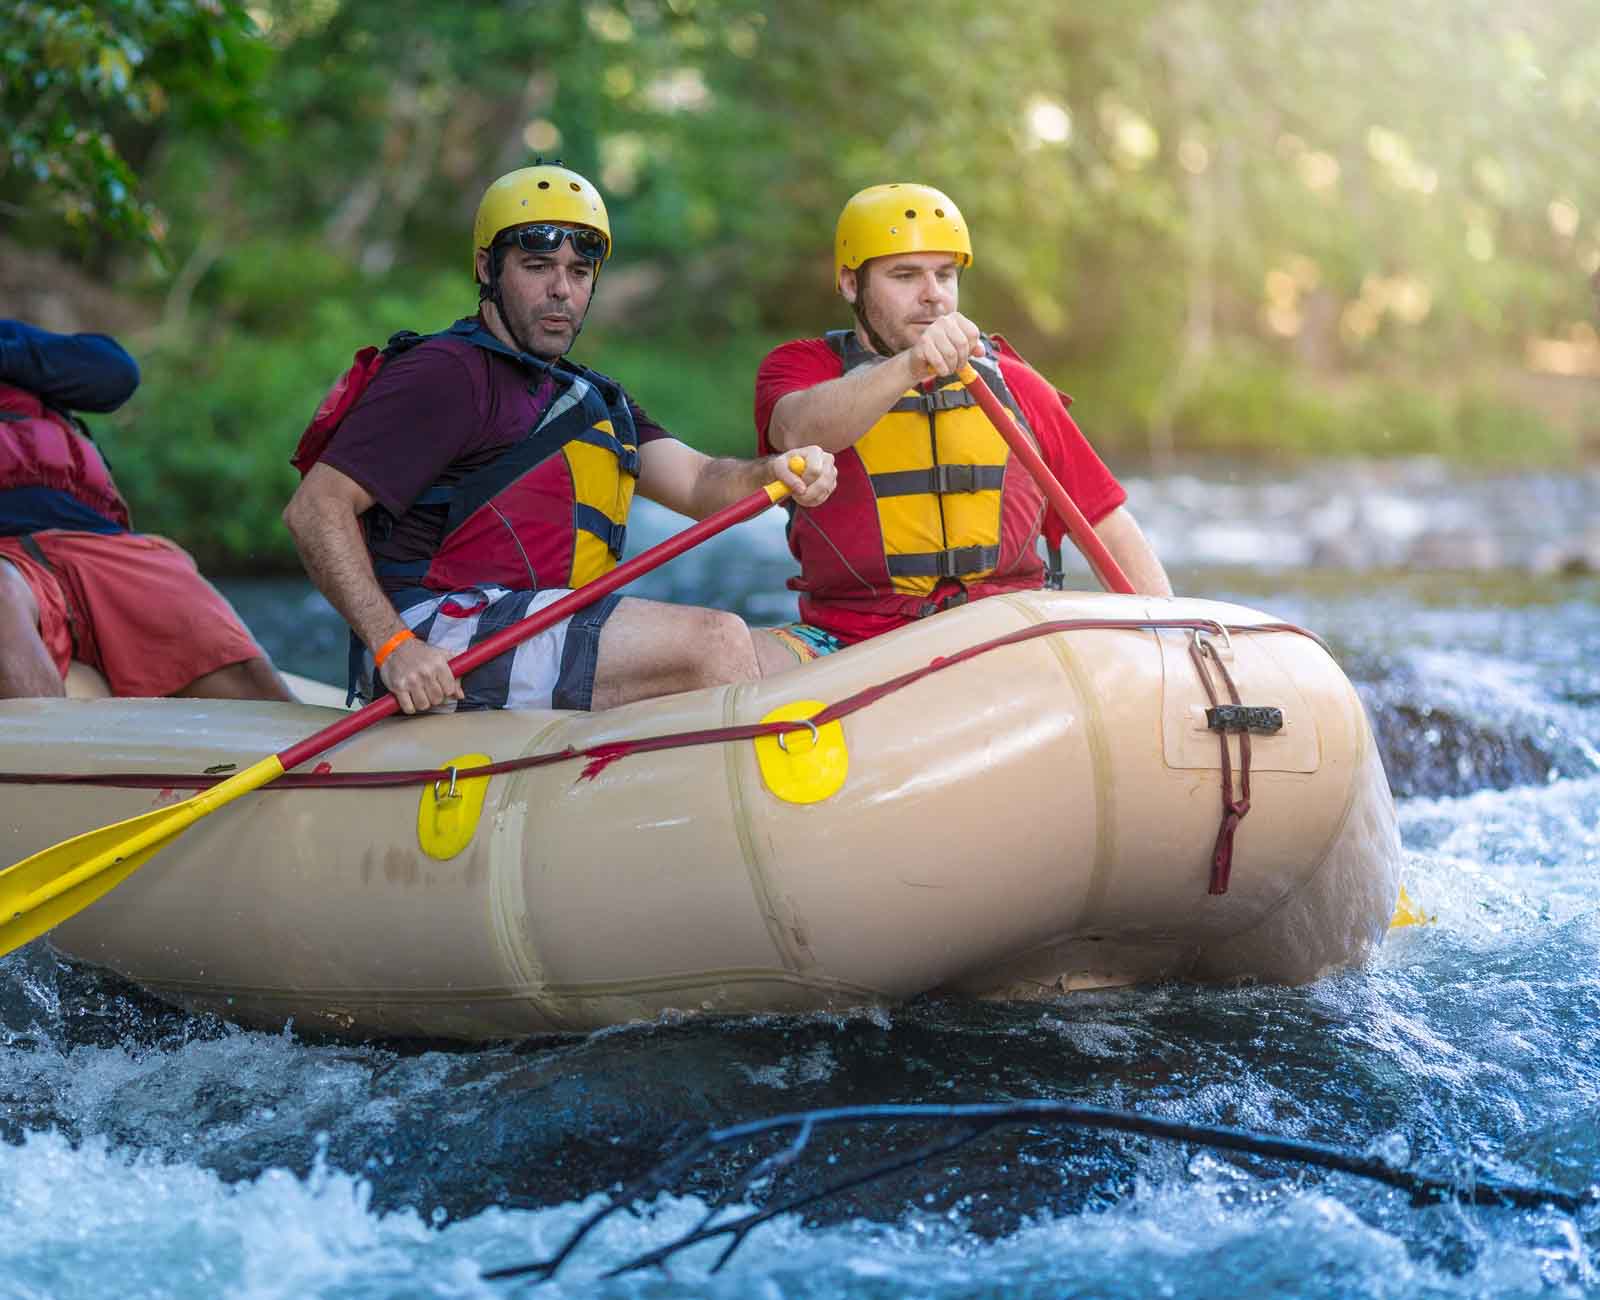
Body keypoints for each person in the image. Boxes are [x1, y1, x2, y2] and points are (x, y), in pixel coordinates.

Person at [283, 162, 837, 715]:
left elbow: (698, 484)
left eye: (578, 272)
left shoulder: (593, 397)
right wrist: (394, 646)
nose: (560, 290)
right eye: (537, 266)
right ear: (487, 268)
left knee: (777, 657)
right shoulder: (445, 373)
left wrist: (774, 471)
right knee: (714, 642)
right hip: (433, 639)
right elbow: (316, 509)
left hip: (538, 623)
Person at [753, 183, 1171, 658]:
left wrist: (1171, 639)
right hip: (849, 645)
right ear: (851, 283)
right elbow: (799, 431)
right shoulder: (800, 371)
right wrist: (912, 365)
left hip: (1004, 638)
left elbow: (1107, 527)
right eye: (906, 275)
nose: (933, 296)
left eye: (945, 274)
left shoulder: (1019, 386)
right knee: (722, 652)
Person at [0, 318, 292, 701]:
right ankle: (40, 755)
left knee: (243, 674)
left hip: (103, 543)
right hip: (8, 562)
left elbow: (115, 374)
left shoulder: (13, 347)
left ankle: (326, 761)